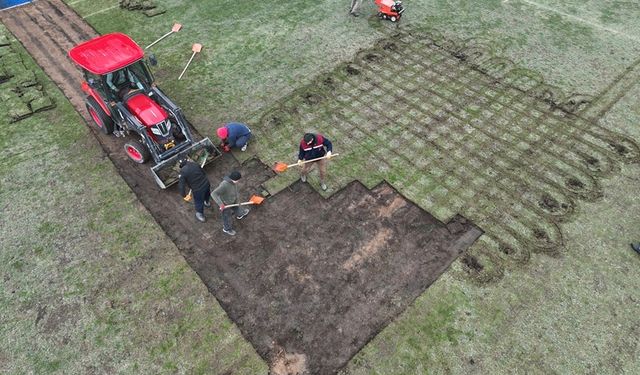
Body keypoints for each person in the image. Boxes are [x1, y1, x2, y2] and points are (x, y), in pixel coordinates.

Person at [210, 171, 249, 236]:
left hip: (233, 200)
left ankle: (240, 214)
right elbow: (213, 193)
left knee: (238, 207)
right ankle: (227, 229)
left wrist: (236, 199)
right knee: (227, 217)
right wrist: (221, 204)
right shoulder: (224, 185)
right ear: (233, 179)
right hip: (226, 204)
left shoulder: (233, 183)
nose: (238, 181)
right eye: (238, 180)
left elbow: (234, 190)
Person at [178, 158, 211, 223]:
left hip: (198, 189)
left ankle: (199, 213)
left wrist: (184, 195)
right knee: (207, 194)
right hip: (206, 183)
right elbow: (203, 172)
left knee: (199, 201)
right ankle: (206, 202)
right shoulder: (195, 164)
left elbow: (181, 185)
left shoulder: (183, 171)